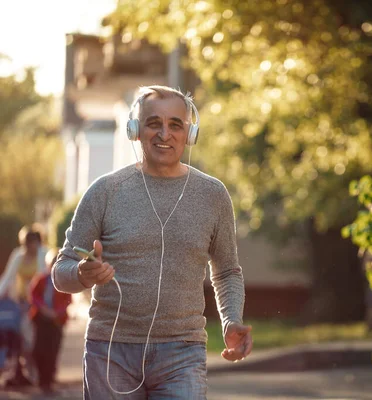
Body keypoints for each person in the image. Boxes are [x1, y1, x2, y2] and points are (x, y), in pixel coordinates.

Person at [52, 85, 252, 399]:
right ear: (135, 130)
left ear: (190, 133)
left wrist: (230, 320)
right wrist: (80, 273)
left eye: (175, 124)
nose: (164, 134)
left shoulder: (213, 195)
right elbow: (60, 270)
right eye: (153, 123)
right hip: (111, 352)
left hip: (182, 353)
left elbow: (226, 271)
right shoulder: (105, 192)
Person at [0, 224, 47, 387]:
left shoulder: (43, 254)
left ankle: (34, 374)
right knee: (18, 338)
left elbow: (44, 278)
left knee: (30, 341)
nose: (30, 247)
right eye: (27, 244)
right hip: (19, 304)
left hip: (37, 305)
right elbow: (8, 277)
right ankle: (20, 373)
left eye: (33, 243)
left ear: (38, 243)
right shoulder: (18, 256)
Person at [28, 248, 72, 394]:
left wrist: (57, 312)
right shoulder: (41, 279)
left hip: (56, 321)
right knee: (39, 350)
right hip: (41, 320)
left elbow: (68, 300)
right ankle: (42, 380)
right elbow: (33, 295)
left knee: (52, 351)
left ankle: (49, 380)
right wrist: (43, 309)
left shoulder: (64, 282)